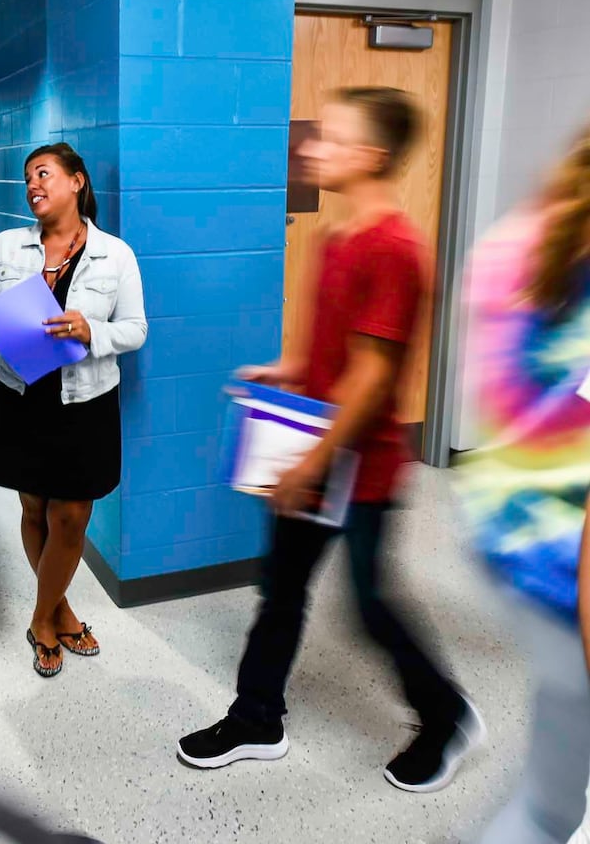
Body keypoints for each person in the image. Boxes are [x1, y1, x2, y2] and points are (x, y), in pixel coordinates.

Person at [177, 87, 482, 793]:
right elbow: (335, 354)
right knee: (280, 590)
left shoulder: (395, 249)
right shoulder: (336, 237)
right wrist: (281, 371)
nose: (310, 146)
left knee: (369, 604)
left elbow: (372, 380)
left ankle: (445, 716)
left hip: (359, 465)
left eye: (330, 136)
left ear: (370, 155)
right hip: (314, 451)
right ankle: (256, 717)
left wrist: (306, 466)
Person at [0, 143, 146, 677]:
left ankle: (40, 614)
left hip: (85, 400)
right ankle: (60, 611)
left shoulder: (114, 254)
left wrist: (90, 329)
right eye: (28, 177)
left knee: (70, 516)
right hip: (22, 395)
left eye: (44, 174)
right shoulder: (7, 246)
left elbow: (137, 330)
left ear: (77, 181)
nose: (33, 184)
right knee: (33, 509)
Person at [456, 124, 590, 843]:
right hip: (552, 554)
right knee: (550, 807)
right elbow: (527, 413)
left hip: (519, 533)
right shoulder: (536, 248)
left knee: (552, 794)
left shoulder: (528, 239)